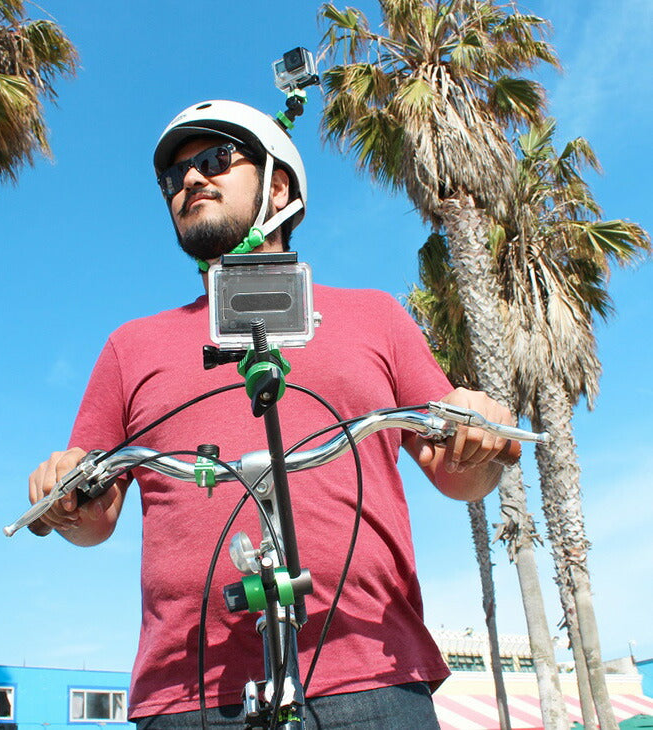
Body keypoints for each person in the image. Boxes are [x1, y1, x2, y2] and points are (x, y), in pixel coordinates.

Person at [28, 100, 516, 729]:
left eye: (214, 160)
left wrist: (477, 433)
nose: (189, 180)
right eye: (173, 177)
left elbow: (459, 476)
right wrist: (65, 492)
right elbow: (95, 520)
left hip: (371, 673)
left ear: (277, 186)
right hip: (188, 693)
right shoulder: (131, 346)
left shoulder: (376, 316)